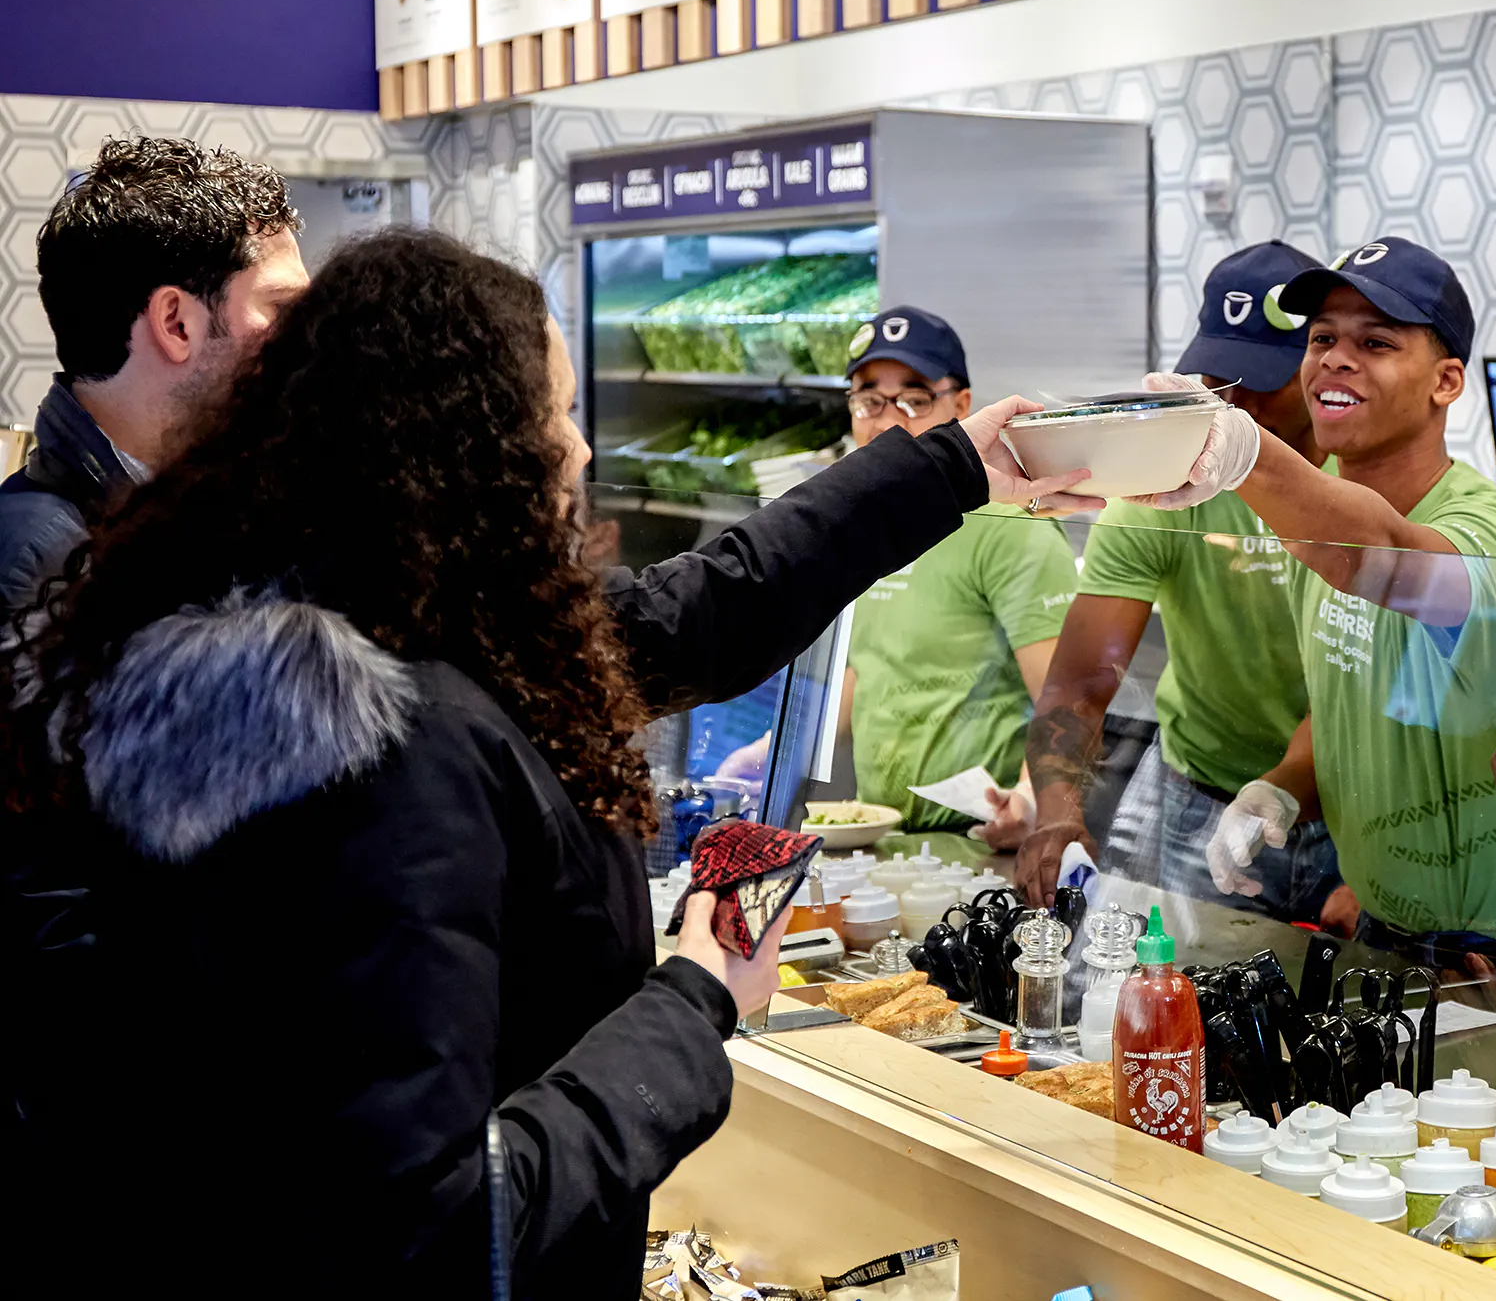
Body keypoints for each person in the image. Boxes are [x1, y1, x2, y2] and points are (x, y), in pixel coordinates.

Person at [0, 231, 1096, 1296]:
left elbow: (698, 608)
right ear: (463, 446)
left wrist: (953, 468)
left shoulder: (398, 614)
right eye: (555, 414)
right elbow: (437, 1233)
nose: (576, 450)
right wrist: (692, 1000)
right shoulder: (392, 750)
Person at [1142, 238, 1496, 990]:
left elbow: (1387, 558)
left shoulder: (1493, 528)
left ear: (1445, 382)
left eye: (1374, 342)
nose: (1335, 359)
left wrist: (1246, 456)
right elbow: (1341, 698)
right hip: (1381, 930)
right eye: (1322, 340)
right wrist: (1279, 787)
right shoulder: (1315, 525)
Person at [1005, 241, 1344, 929]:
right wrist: (1057, 811)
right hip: (1203, 797)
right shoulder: (1166, 484)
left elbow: (1384, 689)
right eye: (1220, 378)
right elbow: (1080, 681)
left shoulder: (1359, 487)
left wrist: (1383, 868)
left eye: (1261, 381)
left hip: (1355, 809)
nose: (1235, 404)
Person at [0, 136, 307, 610]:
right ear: (176, 324)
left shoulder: (190, 515)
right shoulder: (38, 561)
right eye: (282, 307)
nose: (305, 335)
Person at [835, 306, 1079, 832]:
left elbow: (1068, 696)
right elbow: (870, 667)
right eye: (869, 400)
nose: (887, 422)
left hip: (978, 837)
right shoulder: (862, 520)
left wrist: (1033, 800)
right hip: (879, 831)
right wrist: (770, 751)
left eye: (914, 400)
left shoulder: (1009, 526)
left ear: (962, 407)